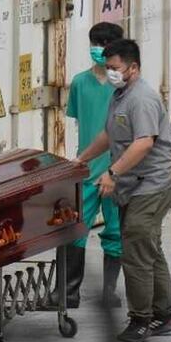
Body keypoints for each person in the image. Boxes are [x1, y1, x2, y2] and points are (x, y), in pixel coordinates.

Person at [77, 38, 171, 342]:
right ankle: (165, 314)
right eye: (107, 67)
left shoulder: (141, 98)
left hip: (151, 184)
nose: (110, 72)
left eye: (115, 67)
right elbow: (109, 134)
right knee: (149, 248)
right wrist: (81, 159)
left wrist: (112, 172)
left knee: (135, 250)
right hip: (133, 185)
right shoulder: (119, 95)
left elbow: (144, 143)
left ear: (133, 67)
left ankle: (141, 319)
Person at [57, 22, 125, 309]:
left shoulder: (122, 86)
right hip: (86, 170)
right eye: (95, 43)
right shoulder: (79, 82)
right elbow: (80, 122)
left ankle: (109, 291)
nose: (99, 48)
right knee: (74, 228)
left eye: (105, 43)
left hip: (117, 171)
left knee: (115, 232)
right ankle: (68, 291)